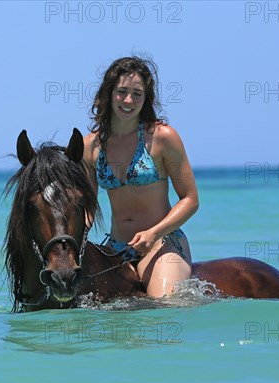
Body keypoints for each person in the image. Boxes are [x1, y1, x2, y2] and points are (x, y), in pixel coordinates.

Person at [82, 56, 199, 298]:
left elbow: (190, 199)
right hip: (114, 249)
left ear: (146, 98)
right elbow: (88, 207)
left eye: (137, 94)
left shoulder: (162, 138)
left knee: (163, 305)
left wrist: (154, 233)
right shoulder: (90, 147)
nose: (128, 100)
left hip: (161, 243)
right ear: (109, 93)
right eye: (122, 91)